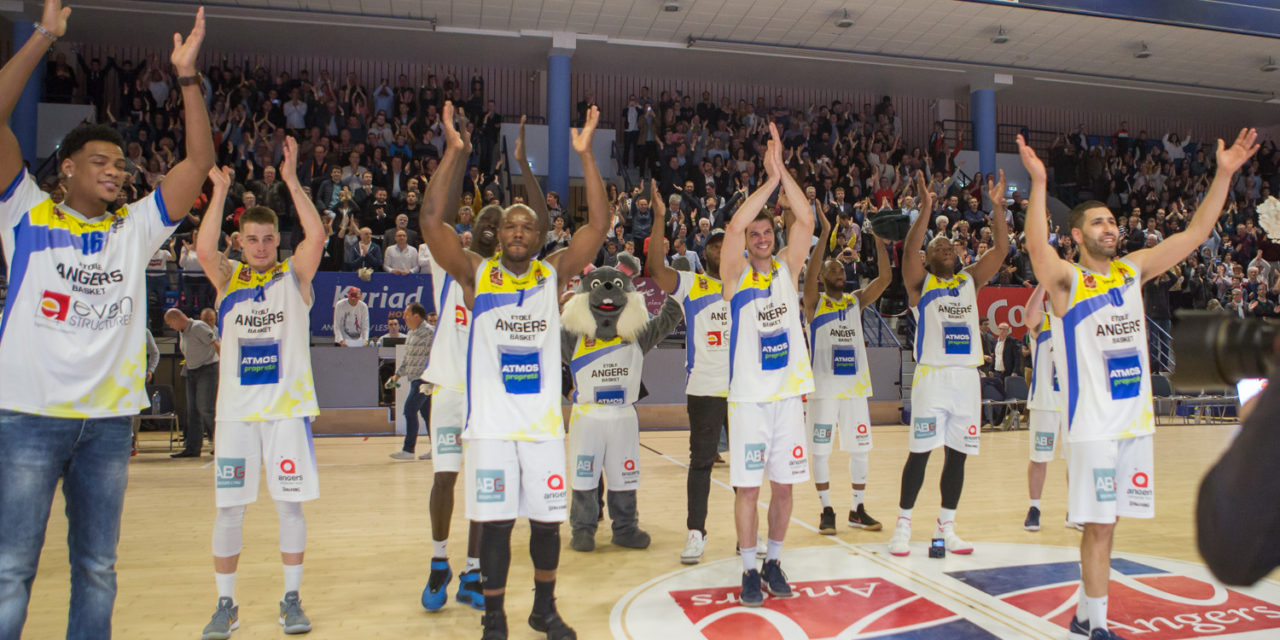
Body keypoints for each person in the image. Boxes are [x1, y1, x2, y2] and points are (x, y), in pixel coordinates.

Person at [0, 5, 213, 638]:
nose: (116, 170)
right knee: (12, 568)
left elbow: (198, 163)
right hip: (27, 417)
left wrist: (187, 77)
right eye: (101, 161)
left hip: (106, 424)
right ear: (66, 167)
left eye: (121, 164)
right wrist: (43, 37)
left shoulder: (135, 228)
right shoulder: (25, 212)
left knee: (97, 567)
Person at [1017, 129, 1257, 640]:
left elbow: (1193, 234)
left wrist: (1225, 174)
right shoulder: (1067, 283)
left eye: (1112, 220)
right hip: (1093, 428)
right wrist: (1038, 185)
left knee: (1111, 525)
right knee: (1100, 526)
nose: (1111, 227)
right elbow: (1038, 249)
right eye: (1098, 222)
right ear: (1077, 236)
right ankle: (1097, 627)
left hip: (1134, 423)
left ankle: (1085, 614)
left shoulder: (1132, 270)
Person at [420, 101, 607, 639]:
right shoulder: (475, 277)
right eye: (510, 226)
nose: (519, 231)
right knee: (497, 528)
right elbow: (432, 221)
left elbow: (598, 224)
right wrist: (453, 152)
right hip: (495, 432)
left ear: (539, 234)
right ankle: (495, 617)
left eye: (528, 225)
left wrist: (585, 155)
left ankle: (543, 609)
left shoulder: (553, 274)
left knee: (548, 525)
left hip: (545, 428)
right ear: (498, 236)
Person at [193, 134, 328, 639]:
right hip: (237, 416)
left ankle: (291, 597)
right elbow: (204, 248)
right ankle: (225, 605)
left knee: (289, 506)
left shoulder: (295, 277)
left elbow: (315, 239)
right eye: (252, 238)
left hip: (286, 412)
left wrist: (292, 180)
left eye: (268, 238)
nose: (261, 246)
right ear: (241, 242)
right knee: (229, 508)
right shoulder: (228, 281)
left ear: (276, 241)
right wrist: (222, 191)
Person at [889, 169, 1009, 558]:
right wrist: (925, 208)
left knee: (957, 455)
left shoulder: (969, 279)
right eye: (940, 247)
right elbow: (908, 252)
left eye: (952, 248)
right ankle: (903, 527)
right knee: (920, 454)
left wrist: (997, 209)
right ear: (928, 257)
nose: (949, 250)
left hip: (966, 380)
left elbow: (1001, 251)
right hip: (932, 378)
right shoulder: (920, 284)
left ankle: (947, 527)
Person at [719, 124, 815, 607]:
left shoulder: (786, 269)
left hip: (787, 397)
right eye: (755, 233)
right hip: (749, 401)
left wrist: (783, 171)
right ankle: (749, 568)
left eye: (766, 232)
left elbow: (807, 220)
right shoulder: (733, 275)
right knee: (748, 489)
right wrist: (768, 184)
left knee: (784, 487)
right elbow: (734, 227)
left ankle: (774, 560)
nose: (759, 236)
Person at [647, 182, 731, 565]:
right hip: (704, 387)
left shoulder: (746, 284)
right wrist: (661, 219)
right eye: (712, 243)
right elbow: (655, 269)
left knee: (749, 462)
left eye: (723, 242)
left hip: (744, 387)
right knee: (701, 462)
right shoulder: (692, 283)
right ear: (705, 250)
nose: (718, 248)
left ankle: (750, 532)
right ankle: (696, 532)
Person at [802, 197, 891, 535]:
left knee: (860, 448)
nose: (840, 272)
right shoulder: (814, 303)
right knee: (821, 450)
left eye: (842, 268)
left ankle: (857, 508)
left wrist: (878, 241)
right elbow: (810, 272)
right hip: (823, 390)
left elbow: (884, 279)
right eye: (833, 269)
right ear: (823, 278)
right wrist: (824, 234)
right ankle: (827, 510)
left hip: (854, 389)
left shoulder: (855, 301)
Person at [1021, 284, 1073, 532]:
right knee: (1039, 458)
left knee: (1076, 460)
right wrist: (1043, 283)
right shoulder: (1044, 323)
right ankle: (1034, 507)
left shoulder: (1079, 324)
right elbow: (1028, 315)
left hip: (1074, 404)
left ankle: (1075, 509)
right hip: (1045, 403)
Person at [164, 308, 220, 458]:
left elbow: (216, 345)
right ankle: (192, 448)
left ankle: (222, 444)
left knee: (206, 408)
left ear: (176, 319)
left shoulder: (198, 327)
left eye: (170, 323)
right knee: (193, 411)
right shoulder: (182, 331)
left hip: (207, 369)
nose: (170, 327)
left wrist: (225, 367)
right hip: (191, 370)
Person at [388, 302, 435, 461]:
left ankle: (408, 450)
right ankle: (436, 449)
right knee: (427, 414)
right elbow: (407, 358)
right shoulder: (411, 333)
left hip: (425, 380)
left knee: (409, 410)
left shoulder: (430, 333)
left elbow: (439, 354)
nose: (404, 317)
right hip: (415, 379)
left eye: (407, 313)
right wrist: (397, 375)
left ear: (416, 316)